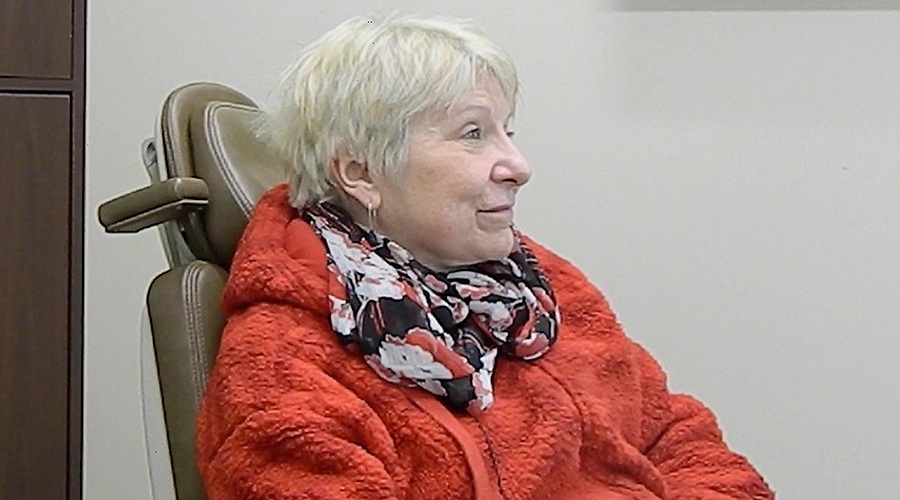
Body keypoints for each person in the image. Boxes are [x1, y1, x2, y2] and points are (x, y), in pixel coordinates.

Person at [196, 15, 774, 500]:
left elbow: (677, 437)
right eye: (473, 134)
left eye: (506, 131)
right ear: (361, 171)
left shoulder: (538, 289)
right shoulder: (282, 362)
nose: (518, 165)